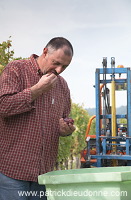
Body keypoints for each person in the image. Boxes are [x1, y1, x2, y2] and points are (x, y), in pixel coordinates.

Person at [0, 37, 76, 200]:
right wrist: (37, 89)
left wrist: (66, 129)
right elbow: (3, 106)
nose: (59, 70)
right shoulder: (16, 70)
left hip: (43, 174)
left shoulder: (62, 85)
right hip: (12, 172)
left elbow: (65, 118)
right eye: (56, 63)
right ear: (45, 52)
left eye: (65, 66)